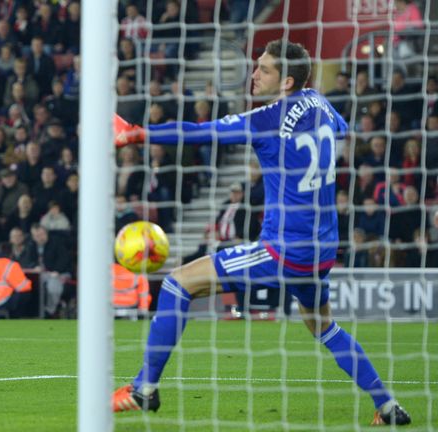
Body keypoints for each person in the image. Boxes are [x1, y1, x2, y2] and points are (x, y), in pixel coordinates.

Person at [112, 40, 411, 426]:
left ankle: (143, 390)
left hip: (284, 248)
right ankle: (387, 407)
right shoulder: (321, 103)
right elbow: (340, 128)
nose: (254, 74)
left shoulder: (267, 119)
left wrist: (137, 135)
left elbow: (200, 132)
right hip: (322, 248)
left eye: (264, 69)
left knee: (176, 284)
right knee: (324, 326)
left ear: (287, 81)